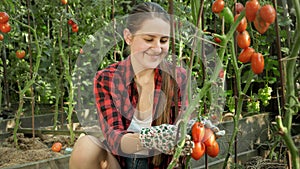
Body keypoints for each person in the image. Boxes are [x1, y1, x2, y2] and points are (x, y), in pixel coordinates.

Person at [69, 2, 222, 169]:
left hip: (162, 166)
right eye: (149, 39)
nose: (157, 48)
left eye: (163, 40)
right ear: (128, 37)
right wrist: (149, 139)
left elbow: (184, 122)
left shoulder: (178, 78)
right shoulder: (107, 79)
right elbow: (114, 139)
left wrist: (192, 130)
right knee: (86, 145)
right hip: (121, 164)